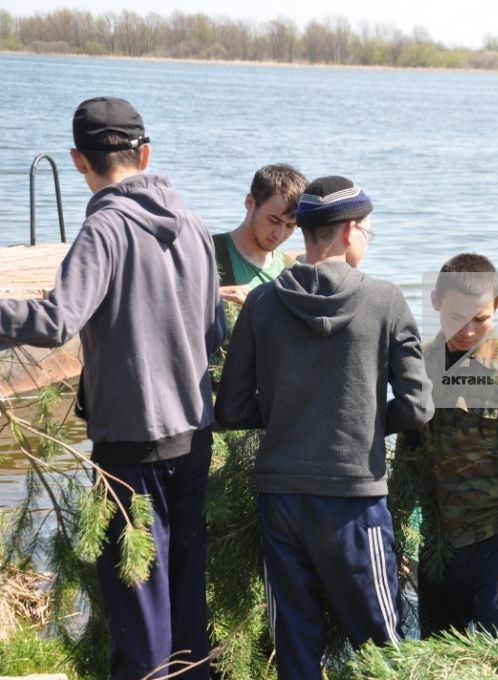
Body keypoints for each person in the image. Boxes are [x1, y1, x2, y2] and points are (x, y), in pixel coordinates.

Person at [0, 97, 225, 679]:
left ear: (79, 161)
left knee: (136, 596)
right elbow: (214, 332)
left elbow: (56, 322)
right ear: (145, 153)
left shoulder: (103, 229)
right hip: (195, 432)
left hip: (132, 443)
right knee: (184, 590)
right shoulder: (197, 225)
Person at [214, 176, 433, 678]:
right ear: (352, 230)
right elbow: (419, 406)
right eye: (369, 232)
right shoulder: (386, 300)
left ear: (306, 233)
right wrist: (365, 423)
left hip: (281, 499)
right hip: (353, 498)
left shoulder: (263, 303)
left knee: (295, 648)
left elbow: (230, 410)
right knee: (386, 649)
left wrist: (292, 414)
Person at [394, 253, 498, 639]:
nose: (467, 331)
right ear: (435, 302)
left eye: (479, 320)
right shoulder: (422, 364)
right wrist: (398, 534)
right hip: (438, 547)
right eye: (456, 318)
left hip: (496, 542)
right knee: (436, 659)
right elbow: (407, 458)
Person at [214, 163, 306, 304]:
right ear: (250, 203)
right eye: (274, 220)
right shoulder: (208, 252)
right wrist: (214, 295)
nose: (279, 234)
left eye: (290, 225)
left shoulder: (293, 274)